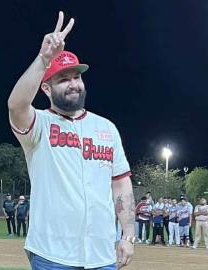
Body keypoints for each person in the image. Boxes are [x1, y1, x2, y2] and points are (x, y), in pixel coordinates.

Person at [8, 11, 135, 269]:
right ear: (46, 88)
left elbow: (121, 185)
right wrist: (44, 59)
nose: (73, 84)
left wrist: (128, 235)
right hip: (52, 254)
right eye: (63, 79)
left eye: (76, 77)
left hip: (101, 256)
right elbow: (16, 105)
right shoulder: (39, 125)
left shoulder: (106, 128)